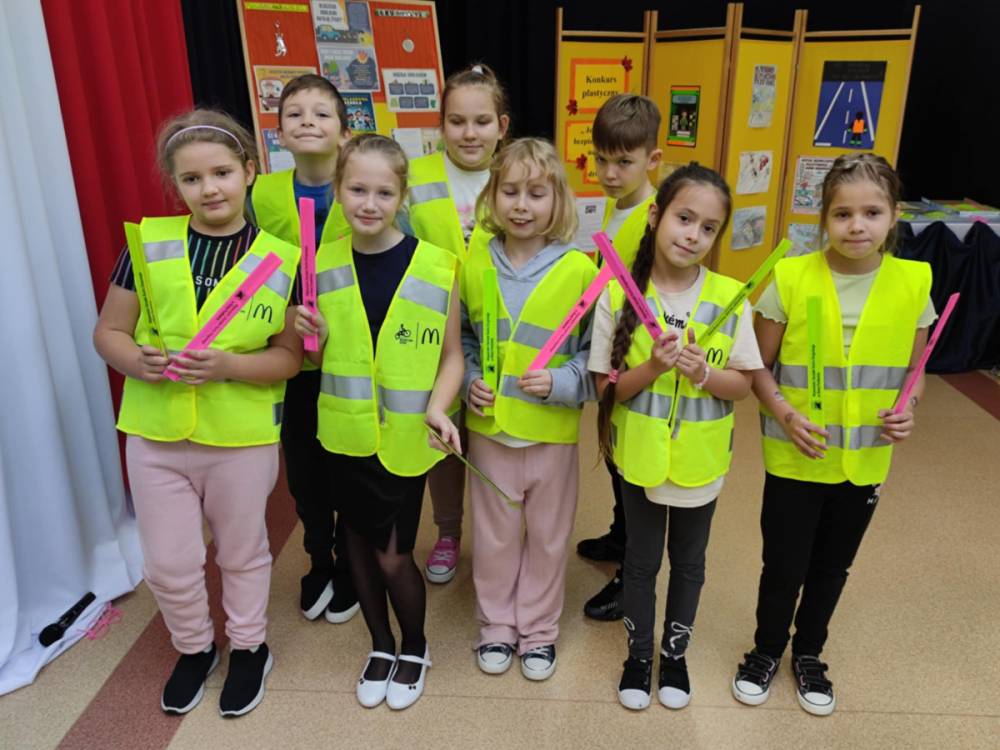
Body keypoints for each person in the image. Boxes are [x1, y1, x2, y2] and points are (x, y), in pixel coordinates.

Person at [93, 110, 302, 717]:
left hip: (240, 437)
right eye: (191, 179)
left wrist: (229, 366)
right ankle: (194, 648)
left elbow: (289, 358)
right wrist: (134, 360)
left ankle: (249, 647)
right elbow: (108, 331)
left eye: (222, 173)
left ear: (249, 171)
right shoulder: (147, 244)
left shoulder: (282, 260)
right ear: (175, 184)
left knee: (242, 552)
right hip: (155, 434)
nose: (209, 188)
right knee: (168, 562)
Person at [731, 153, 935, 716]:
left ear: (894, 215)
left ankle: (810, 654)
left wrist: (910, 408)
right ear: (824, 218)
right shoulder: (791, 277)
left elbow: (914, 373)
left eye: (872, 213)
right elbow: (757, 366)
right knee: (783, 565)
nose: (856, 226)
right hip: (797, 456)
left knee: (832, 566)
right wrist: (785, 414)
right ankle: (766, 650)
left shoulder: (914, 283)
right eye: (842, 214)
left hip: (864, 461)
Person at [293, 134, 464, 710]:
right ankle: (381, 645)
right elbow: (316, 359)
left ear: (402, 195)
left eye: (384, 192)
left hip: (406, 439)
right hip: (343, 435)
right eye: (357, 189)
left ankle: (414, 646)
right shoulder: (318, 264)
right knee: (356, 548)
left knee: (393, 554)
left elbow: (452, 356)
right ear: (338, 190)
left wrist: (438, 406)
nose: (369, 203)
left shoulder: (438, 266)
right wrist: (310, 336)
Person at [590, 163, 762, 709]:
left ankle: (674, 656)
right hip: (639, 460)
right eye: (684, 219)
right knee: (640, 563)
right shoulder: (617, 295)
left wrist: (704, 373)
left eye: (708, 228)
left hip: (701, 462)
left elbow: (743, 386)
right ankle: (639, 656)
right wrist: (654, 368)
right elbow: (606, 389)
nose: (693, 235)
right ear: (655, 215)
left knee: (690, 564)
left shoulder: (731, 298)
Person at [461, 138, 597, 680]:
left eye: (536, 193)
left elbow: (597, 356)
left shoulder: (582, 271)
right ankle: (496, 625)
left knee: (547, 537)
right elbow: (463, 339)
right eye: (510, 191)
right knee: (493, 537)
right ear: (492, 196)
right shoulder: (473, 262)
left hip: (551, 435)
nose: (521, 205)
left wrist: (561, 382)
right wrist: (469, 379)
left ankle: (539, 631)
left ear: (557, 200)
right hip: (489, 431)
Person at [251, 74, 360, 624]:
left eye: (321, 113)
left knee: (351, 464)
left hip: (351, 355)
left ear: (345, 130)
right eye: (294, 114)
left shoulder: (364, 188)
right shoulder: (260, 194)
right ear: (278, 132)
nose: (308, 122)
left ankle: (352, 562)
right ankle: (319, 557)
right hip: (291, 358)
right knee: (304, 468)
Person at [403, 63, 511, 584]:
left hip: (500, 331)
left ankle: (498, 534)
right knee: (443, 434)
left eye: (482, 121)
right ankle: (448, 532)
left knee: (495, 434)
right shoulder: (414, 177)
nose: (470, 133)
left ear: (502, 126)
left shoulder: (517, 176)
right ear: (440, 125)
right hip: (435, 330)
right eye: (457, 121)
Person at [578, 94, 663, 623]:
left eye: (624, 162)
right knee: (613, 456)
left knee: (632, 468)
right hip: (611, 353)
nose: (609, 173)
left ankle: (632, 574)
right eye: (601, 159)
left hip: (638, 363)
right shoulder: (617, 206)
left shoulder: (655, 218)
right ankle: (619, 534)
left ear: (653, 160)